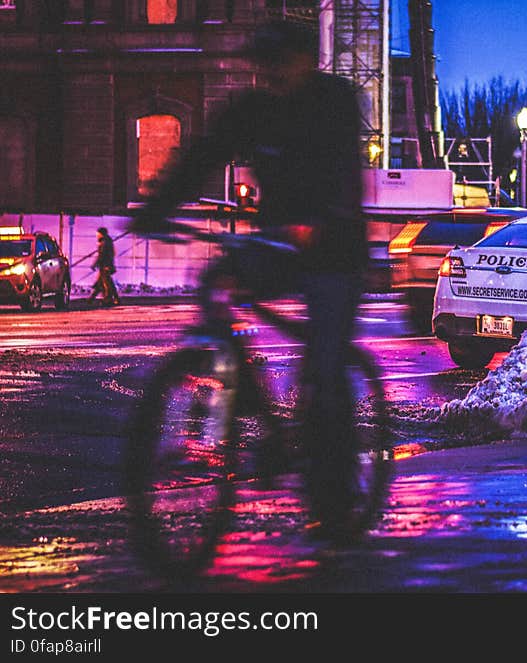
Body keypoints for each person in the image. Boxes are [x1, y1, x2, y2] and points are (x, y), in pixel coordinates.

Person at [129, 20, 367, 539]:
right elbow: (201, 156)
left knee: (324, 372)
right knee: (215, 282)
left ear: (307, 60)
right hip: (277, 243)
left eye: (281, 62)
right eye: (265, 64)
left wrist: (325, 218)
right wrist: (157, 208)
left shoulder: (334, 101)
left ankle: (336, 498)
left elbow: (344, 170)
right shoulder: (252, 111)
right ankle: (244, 393)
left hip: (335, 248)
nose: (272, 73)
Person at [87, 227, 120, 306]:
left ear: (101, 234)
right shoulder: (107, 241)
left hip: (105, 266)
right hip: (106, 265)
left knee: (106, 284)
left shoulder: (104, 242)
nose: (96, 235)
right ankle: (91, 299)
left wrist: (94, 265)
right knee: (102, 283)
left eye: (97, 234)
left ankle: (108, 300)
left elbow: (101, 255)